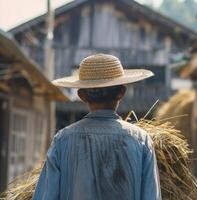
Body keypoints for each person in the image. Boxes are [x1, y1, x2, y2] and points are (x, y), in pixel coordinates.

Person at [33, 54, 161, 200]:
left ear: (81, 95)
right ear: (121, 93)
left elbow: (46, 195)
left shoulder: (63, 140)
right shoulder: (141, 140)